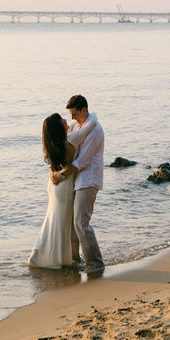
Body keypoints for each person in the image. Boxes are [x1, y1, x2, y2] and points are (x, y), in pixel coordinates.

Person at [28, 109, 98, 269]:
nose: (67, 121)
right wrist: (90, 113)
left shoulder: (55, 145)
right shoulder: (71, 140)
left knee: (52, 221)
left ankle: (42, 254)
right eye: (63, 121)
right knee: (66, 226)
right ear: (59, 128)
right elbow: (91, 123)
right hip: (65, 186)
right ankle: (66, 260)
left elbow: (74, 123)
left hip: (54, 186)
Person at [51, 93, 105, 274]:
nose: (71, 118)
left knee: (81, 223)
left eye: (74, 113)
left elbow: (82, 161)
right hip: (77, 181)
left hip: (88, 180)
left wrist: (61, 175)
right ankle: (77, 260)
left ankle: (96, 263)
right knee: (74, 224)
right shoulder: (77, 126)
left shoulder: (95, 131)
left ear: (84, 110)